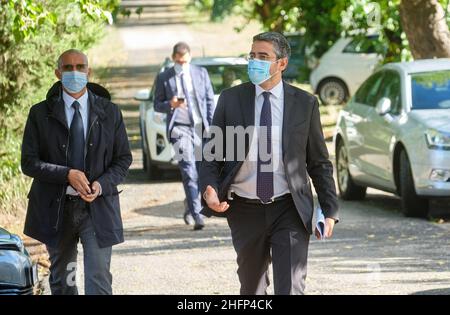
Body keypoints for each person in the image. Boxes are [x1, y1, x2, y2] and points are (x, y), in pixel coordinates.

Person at [200, 32, 339, 295]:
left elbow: (319, 162)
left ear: (282, 63)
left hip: (290, 207)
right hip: (244, 210)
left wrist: (330, 208)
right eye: (252, 55)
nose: (255, 61)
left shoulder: (305, 103)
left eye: (263, 56)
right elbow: (211, 154)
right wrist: (209, 187)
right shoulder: (231, 100)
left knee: (291, 288)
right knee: (252, 289)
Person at [21, 49, 132, 295]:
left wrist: (101, 184)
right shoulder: (40, 114)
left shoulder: (110, 112)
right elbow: (28, 162)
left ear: (88, 72)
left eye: (80, 67)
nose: (74, 72)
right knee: (63, 279)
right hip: (56, 211)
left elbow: (123, 159)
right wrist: (66, 174)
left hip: (98, 209)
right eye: (68, 67)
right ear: (57, 73)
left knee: (99, 278)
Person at [154, 42, 215, 230]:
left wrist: (212, 127)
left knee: (200, 172)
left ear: (190, 58)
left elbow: (210, 100)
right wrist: (169, 104)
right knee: (189, 170)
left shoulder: (200, 73)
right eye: (179, 62)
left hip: (200, 127)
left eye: (185, 62)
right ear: (174, 58)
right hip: (179, 128)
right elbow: (157, 104)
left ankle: (190, 205)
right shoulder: (164, 77)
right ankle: (198, 216)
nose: (182, 65)